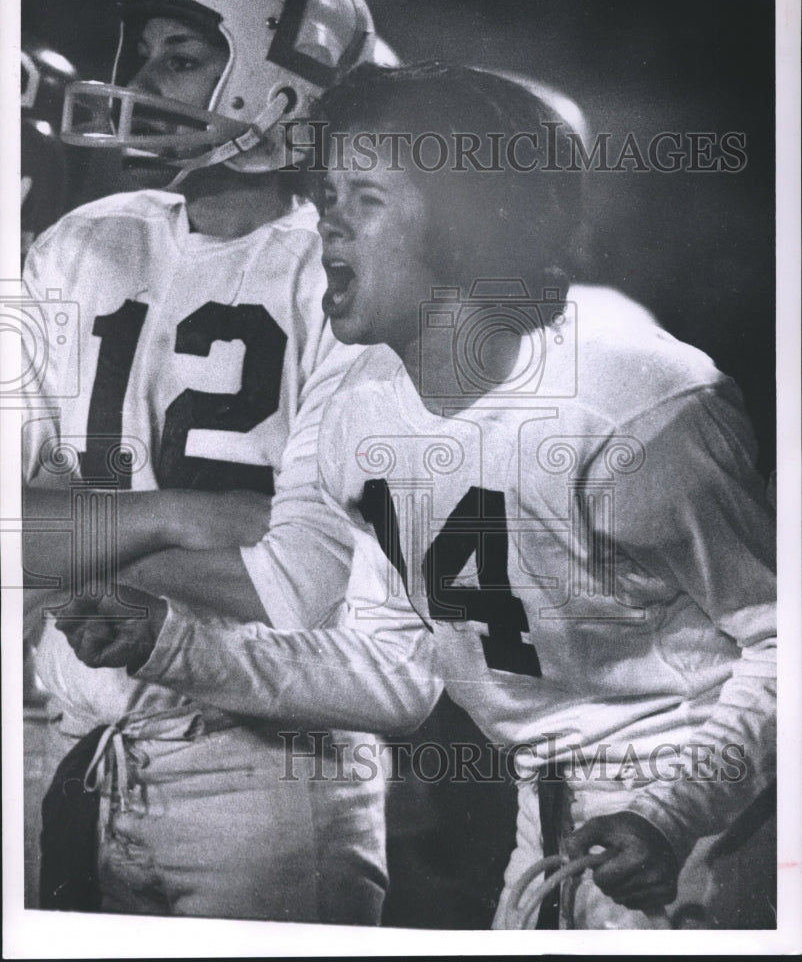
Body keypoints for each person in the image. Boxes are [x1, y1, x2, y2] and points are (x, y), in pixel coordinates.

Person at [55, 63, 777, 930]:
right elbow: (392, 677)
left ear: (473, 225)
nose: (327, 226)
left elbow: (785, 641)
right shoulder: (362, 409)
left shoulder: (632, 397)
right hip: (550, 818)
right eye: (325, 196)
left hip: (716, 824)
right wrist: (168, 641)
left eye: (367, 198)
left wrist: (674, 812)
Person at [22, 0, 434, 924]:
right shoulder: (89, 240)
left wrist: (70, 537)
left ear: (277, 86)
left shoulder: (353, 271)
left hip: (268, 769)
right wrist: (172, 516)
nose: (141, 83)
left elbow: (299, 582)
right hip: (90, 746)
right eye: (146, 56)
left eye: (182, 58)